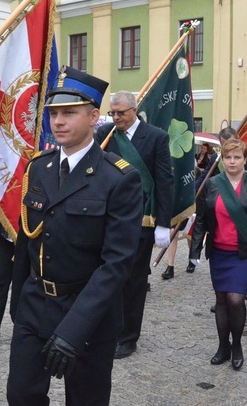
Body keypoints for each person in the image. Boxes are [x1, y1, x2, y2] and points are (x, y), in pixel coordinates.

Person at [7, 67, 143, 405]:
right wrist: (18, 304)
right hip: (35, 305)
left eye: (69, 112)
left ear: (94, 116)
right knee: (21, 395)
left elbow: (116, 264)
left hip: (88, 315)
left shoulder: (119, 179)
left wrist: (74, 330)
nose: (58, 121)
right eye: (54, 113)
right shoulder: (39, 166)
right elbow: (28, 240)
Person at [94, 90, 174, 359]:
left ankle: (129, 337)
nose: (116, 118)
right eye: (112, 113)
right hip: (108, 218)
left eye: (121, 113)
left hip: (142, 220)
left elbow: (164, 181)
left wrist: (164, 223)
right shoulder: (104, 134)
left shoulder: (156, 137)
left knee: (133, 281)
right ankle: (109, 329)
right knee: (108, 276)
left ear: (134, 110)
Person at [190, 140, 247, 370]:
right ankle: (223, 346)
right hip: (219, 253)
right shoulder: (213, 183)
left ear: (245, 159)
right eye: (228, 158)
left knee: (236, 299)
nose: (232, 162)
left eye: (237, 157)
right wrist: (195, 249)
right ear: (222, 160)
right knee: (222, 300)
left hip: (244, 253)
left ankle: (237, 345)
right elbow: (202, 218)